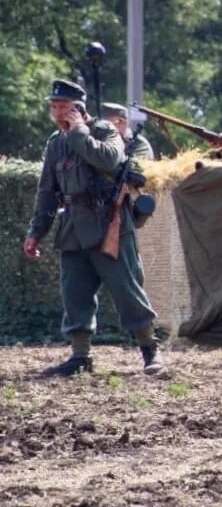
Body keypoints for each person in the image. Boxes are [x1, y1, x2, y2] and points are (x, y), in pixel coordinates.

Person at [23, 80, 164, 376]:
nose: (56, 111)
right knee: (74, 292)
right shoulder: (55, 143)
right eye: (54, 106)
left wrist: (79, 133)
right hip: (73, 227)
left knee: (127, 290)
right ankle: (80, 356)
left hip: (108, 223)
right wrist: (36, 232)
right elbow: (47, 192)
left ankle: (150, 349)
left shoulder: (104, 131)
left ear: (79, 109)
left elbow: (110, 159)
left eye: (62, 107)